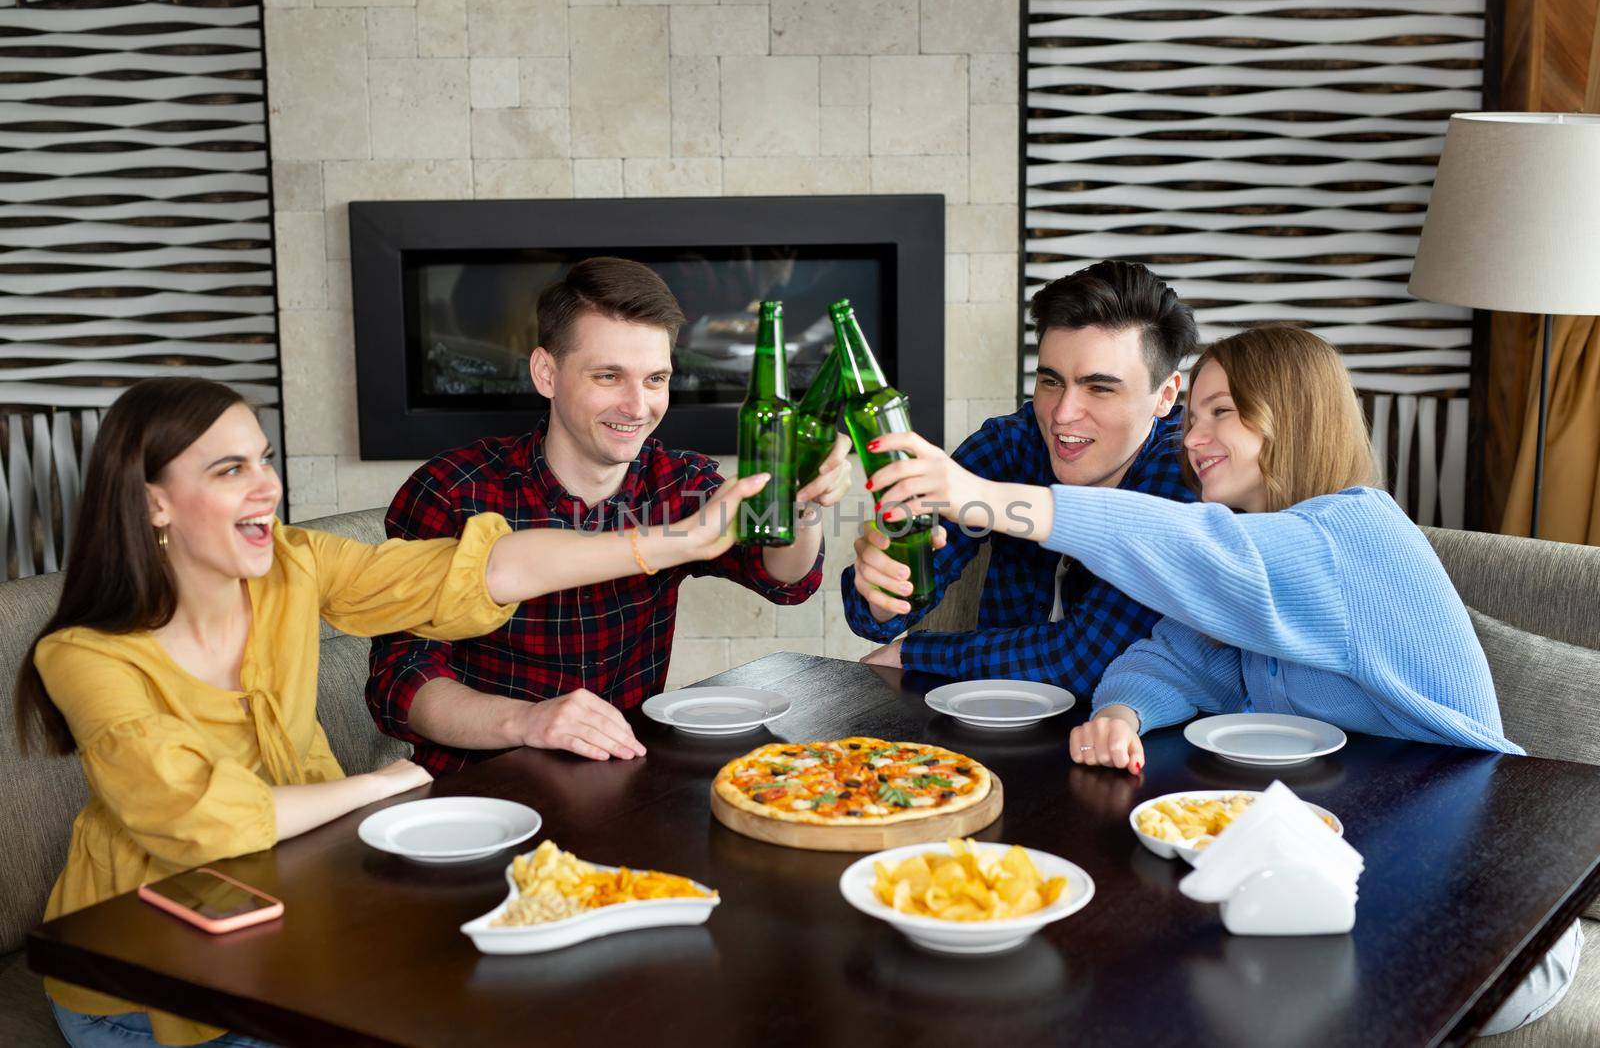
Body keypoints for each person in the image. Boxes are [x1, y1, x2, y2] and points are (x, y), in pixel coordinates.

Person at [862, 324, 1579, 1035]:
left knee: (1172, 981)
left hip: (1495, 909)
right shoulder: (1259, 570)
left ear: (1291, 415)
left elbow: (1191, 547)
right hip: (1359, 871)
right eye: (1192, 414)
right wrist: (1121, 712)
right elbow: (1174, 655)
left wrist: (981, 497)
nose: (1193, 436)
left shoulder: (1353, 536)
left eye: (1223, 412)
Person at [17, 377, 768, 1048]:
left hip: (298, 912)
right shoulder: (85, 656)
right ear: (153, 501)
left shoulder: (291, 566)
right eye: (229, 469)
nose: (266, 487)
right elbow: (198, 817)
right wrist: (381, 784)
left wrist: (677, 540)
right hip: (147, 977)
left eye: (264, 459)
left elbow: (477, 570)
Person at [366, 257, 850, 774]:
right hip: (480, 786)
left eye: (656, 378)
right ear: (546, 373)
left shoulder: (678, 483)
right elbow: (400, 682)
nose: (637, 407)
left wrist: (803, 501)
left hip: (626, 778)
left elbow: (784, 578)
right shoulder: (449, 491)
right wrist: (530, 721)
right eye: (608, 376)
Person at [841, 260, 1197, 695]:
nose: (1063, 414)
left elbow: (1089, 660)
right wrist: (884, 589)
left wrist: (916, 653)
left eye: (1099, 388)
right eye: (1051, 381)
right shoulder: (1011, 444)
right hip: (1002, 717)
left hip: (1141, 737)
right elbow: (875, 618)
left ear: (1165, 396)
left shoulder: (1187, 466)